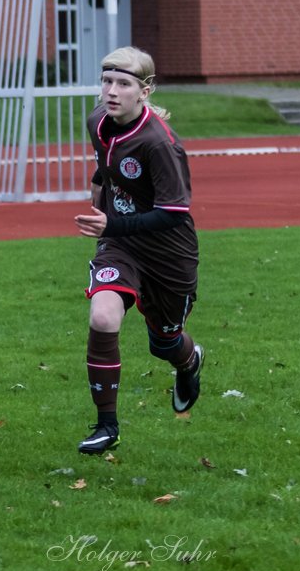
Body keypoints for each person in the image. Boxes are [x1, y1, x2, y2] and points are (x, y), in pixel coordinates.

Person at [73, 46, 203, 455]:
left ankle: (189, 361)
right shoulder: (98, 120)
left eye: (123, 84)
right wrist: (99, 193)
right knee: (103, 315)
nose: (111, 91)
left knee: (164, 343)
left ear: (145, 91)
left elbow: (173, 213)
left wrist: (112, 221)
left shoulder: (160, 144)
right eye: (107, 81)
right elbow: (105, 163)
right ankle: (106, 425)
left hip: (169, 254)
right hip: (121, 245)